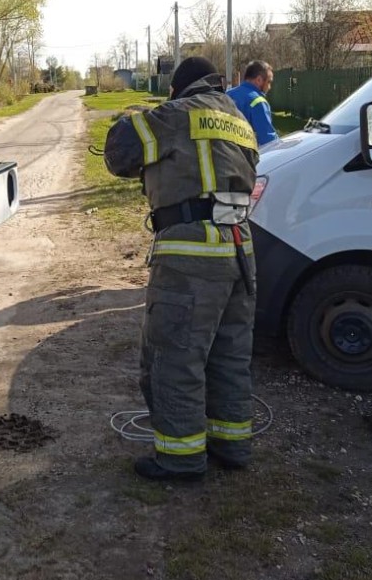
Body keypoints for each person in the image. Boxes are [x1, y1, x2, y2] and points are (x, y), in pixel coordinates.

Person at [103, 56, 259, 482]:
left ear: (177, 89)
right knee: (229, 356)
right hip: (241, 249)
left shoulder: (174, 116)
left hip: (191, 253)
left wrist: (134, 117)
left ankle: (181, 457)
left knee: (174, 356)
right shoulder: (239, 120)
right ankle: (232, 444)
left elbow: (118, 154)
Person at [227, 60, 277, 146]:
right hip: (246, 156)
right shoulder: (258, 102)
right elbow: (268, 141)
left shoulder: (226, 95)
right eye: (269, 82)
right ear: (259, 80)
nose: (269, 87)